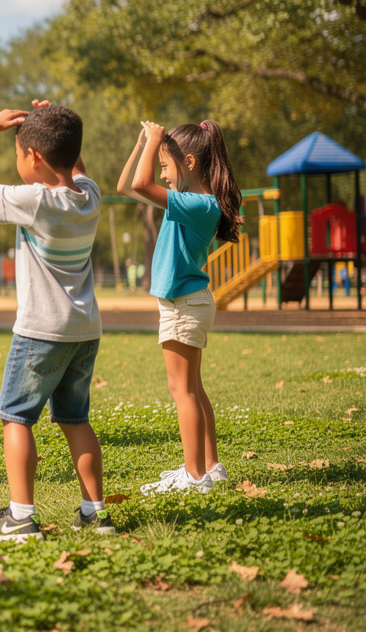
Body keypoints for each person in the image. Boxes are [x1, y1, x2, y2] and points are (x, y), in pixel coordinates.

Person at [0, 101, 110, 541]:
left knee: (16, 418)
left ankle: (21, 518)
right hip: (84, 330)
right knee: (75, 419)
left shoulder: (36, 200)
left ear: (35, 158)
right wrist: (56, 119)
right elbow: (73, 165)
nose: (17, 162)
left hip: (41, 331)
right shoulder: (90, 194)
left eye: (19, 154)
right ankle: (95, 514)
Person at [117, 120, 242, 494]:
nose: (161, 174)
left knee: (182, 391)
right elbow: (126, 186)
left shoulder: (201, 205)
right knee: (194, 389)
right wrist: (145, 145)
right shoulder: (194, 203)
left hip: (183, 306)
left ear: (188, 161)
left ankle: (194, 477)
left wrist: (154, 139)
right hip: (186, 304)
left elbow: (140, 185)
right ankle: (209, 467)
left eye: (166, 166)